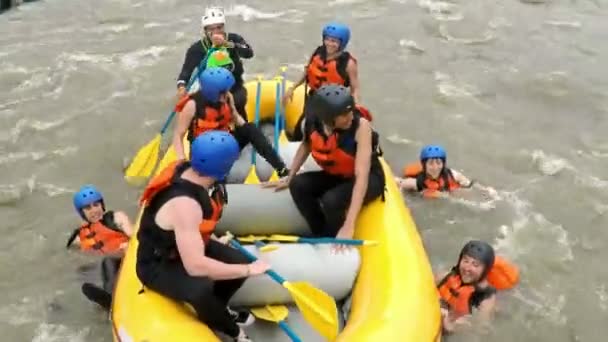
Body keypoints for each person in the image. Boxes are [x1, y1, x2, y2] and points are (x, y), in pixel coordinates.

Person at [136, 131, 271, 342]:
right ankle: (235, 333)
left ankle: (218, 310)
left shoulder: (187, 169)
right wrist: (249, 270)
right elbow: (195, 266)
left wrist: (240, 265)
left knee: (238, 261)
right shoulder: (185, 204)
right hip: (157, 262)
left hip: (181, 244)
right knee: (201, 290)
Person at [265, 84, 385, 243]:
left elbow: (361, 175)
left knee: (331, 200)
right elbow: (306, 145)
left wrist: (349, 225)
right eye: (344, 115)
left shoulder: (360, 127)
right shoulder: (313, 122)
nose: (350, 117)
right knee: (298, 185)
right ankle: (320, 233)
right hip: (339, 174)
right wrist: (289, 175)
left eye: (350, 111)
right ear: (328, 117)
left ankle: (335, 238)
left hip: (370, 177)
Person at [173, 67, 289, 178]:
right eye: (222, 93)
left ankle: (281, 168)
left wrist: (251, 132)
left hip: (225, 141)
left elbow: (237, 118)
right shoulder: (192, 105)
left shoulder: (227, 97)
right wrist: (181, 160)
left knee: (250, 128)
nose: (226, 94)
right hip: (205, 150)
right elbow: (178, 134)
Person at [282, 22, 362, 142]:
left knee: (328, 134)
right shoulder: (318, 52)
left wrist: (354, 108)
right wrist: (292, 88)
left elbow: (355, 88)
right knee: (302, 128)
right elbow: (307, 72)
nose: (329, 44)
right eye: (327, 39)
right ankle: (299, 143)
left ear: (342, 43)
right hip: (314, 97)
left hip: (333, 103)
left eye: (334, 41)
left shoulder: (348, 63)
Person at [177, 6, 253, 121]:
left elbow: (249, 53)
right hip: (209, 93)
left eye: (219, 27)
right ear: (205, 31)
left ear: (224, 26)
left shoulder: (233, 38)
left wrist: (227, 44)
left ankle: (242, 132)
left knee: (239, 101)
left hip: (234, 88)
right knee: (201, 110)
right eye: (211, 29)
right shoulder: (196, 49)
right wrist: (181, 87)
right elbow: (184, 74)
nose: (216, 32)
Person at [66, 185, 134, 310]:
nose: (93, 210)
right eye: (88, 208)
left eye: (96, 205)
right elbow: (72, 257)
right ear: (82, 213)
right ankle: (104, 299)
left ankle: (111, 299)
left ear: (102, 205)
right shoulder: (78, 236)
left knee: (107, 260)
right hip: (103, 269)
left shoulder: (116, 217)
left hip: (124, 258)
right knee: (85, 271)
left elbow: (134, 235)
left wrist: (129, 246)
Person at [436, 241, 498, 334]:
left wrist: (452, 325)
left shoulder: (485, 299)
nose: (467, 268)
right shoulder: (447, 276)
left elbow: (480, 329)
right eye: (465, 261)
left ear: (485, 270)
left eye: (475, 265)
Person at [395, 145, 498, 199]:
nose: (435, 167)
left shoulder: (453, 175)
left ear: (443, 164)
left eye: (438, 163)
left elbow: (470, 185)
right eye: (431, 163)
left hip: (449, 192)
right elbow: (400, 184)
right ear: (424, 165)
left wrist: (485, 190)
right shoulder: (417, 182)